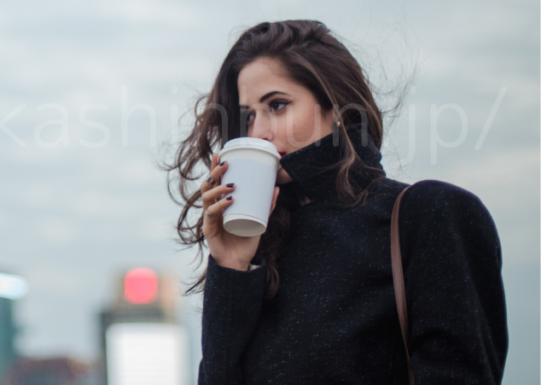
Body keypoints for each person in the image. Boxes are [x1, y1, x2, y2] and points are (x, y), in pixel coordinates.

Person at [167, 20, 508, 384]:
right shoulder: (263, 251)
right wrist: (231, 269)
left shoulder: (428, 213)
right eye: (249, 116)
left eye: (277, 105)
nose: (258, 133)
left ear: (338, 108)